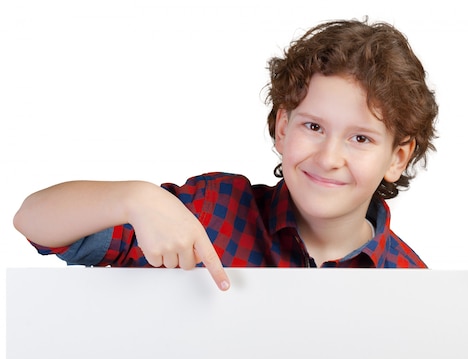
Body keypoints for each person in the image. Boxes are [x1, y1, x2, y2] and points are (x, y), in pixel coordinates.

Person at [13, 18, 438, 292]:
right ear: (282, 127)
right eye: (313, 127)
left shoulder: (414, 288)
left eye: (360, 139)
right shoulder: (209, 212)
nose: (329, 157)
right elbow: (33, 221)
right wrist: (134, 198)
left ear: (398, 157)